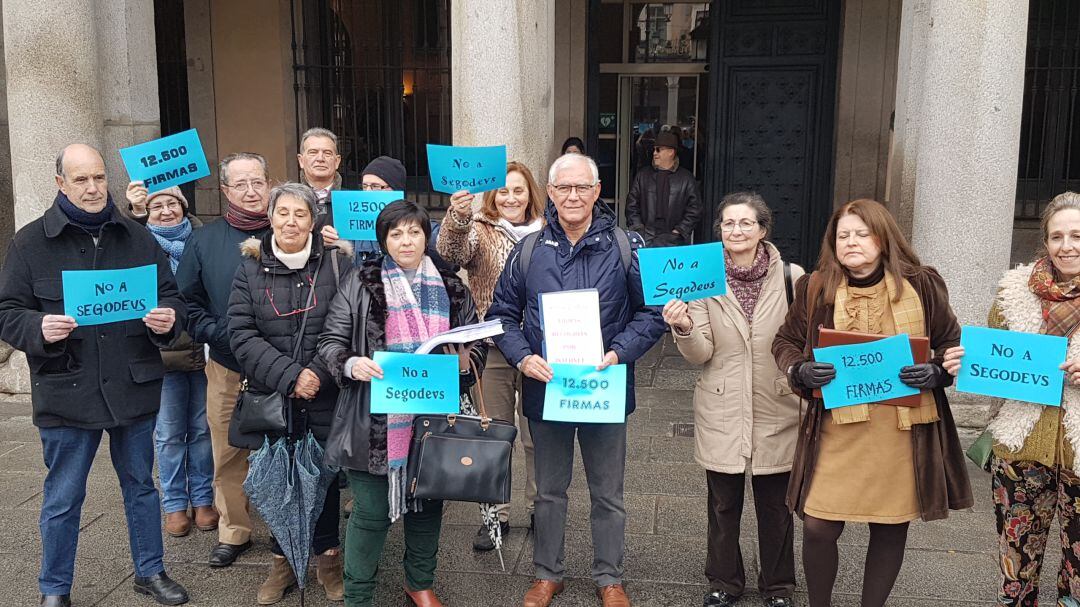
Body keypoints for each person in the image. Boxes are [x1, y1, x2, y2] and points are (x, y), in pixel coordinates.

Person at [0, 144, 190, 606]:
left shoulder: (137, 237)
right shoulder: (29, 243)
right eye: (81, 179)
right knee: (63, 497)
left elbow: (173, 298)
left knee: (142, 487)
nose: (92, 188)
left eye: (99, 178)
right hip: (68, 387)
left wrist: (170, 319)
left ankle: (150, 571)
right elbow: (7, 312)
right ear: (60, 183)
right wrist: (36, 327)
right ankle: (54, 589)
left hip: (132, 383)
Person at [771, 198, 973, 607]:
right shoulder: (815, 287)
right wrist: (800, 371)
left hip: (901, 433)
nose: (851, 242)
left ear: (883, 238)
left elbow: (951, 343)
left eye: (861, 233)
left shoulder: (923, 284)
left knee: (890, 527)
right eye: (843, 235)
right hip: (837, 430)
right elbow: (785, 342)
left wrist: (938, 372)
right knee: (818, 526)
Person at [487, 153, 667, 607]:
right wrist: (523, 357)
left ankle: (610, 577)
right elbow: (501, 316)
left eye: (582, 188)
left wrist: (619, 352)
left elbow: (651, 312)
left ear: (597, 191)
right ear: (549, 193)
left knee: (608, 492)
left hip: (603, 388)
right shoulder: (528, 250)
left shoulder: (626, 247)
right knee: (549, 492)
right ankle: (549, 573)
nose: (572, 196)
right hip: (547, 389)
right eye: (564, 188)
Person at [317, 200, 487, 607]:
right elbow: (330, 342)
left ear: (426, 237)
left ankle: (419, 583)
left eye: (414, 232)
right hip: (372, 422)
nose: (406, 240)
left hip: (433, 420)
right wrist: (351, 363)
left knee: (428, 507)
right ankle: (358, 595)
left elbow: (477, 342)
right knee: (371, 513)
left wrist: (465, 361)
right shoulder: (361, 282)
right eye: (396, 233)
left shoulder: (451, 286)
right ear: (383, 240)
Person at [662, 192, 802, 607]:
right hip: (721, 404)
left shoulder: (794, 277)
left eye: (744, 223)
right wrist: (684, 324)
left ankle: (778, 586)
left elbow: (802, 340)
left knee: (776, 507)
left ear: (762, 230)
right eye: (727, 223)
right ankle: (724, 581)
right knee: (723, 505)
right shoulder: (702, 277)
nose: (735, 231)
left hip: (777, 404)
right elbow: (701, 353)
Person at [942, 191, 1080, 606]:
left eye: (1077, 235)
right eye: (1057, 236)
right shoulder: (1013, 294)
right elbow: (992, 361)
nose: (1066, 245)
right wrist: (962, 362)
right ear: (1045, 241)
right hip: (1021, 449)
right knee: (1016, 565)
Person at [228, 183, 352, 604]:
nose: (291, 222)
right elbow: (241, 334)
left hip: (326, 392)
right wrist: (290, 376)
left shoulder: (338, 264)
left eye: (301, 214)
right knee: (278, 478)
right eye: (283, 212)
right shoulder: (250, 267)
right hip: (273, 395)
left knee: (325, 479)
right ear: (270, 216)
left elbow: (345, 326)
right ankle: (281, 562)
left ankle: (329, 560)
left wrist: (316, 373)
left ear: (314, 220)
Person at [436, 161, 546, 550]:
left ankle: (540, 510)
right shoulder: (480, 230)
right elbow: (450, 253)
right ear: (492, 196)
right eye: (504, 191)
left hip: (540, 350)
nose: (512, 197)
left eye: (519, 190)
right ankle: (494, 516)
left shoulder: (549, 231)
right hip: (496, 345)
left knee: (538, 436)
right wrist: (459, 216)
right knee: (495, 434)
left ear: (531, 193)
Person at [176, 152, 272, 568]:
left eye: (258, 182)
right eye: (241, 184)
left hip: (281, 367)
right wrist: (220, 332)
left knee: (285, 449)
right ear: (226, 191)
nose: (251, 191)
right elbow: (186, 303)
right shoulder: (204, 240)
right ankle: (234, 530)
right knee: (228, 450)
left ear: (269, 184)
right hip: (228, 364)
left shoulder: (291, 229)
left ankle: (286, 531)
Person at [138, 186, 217, 538]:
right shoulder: (138, 245)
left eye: (172, 203)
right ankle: (174, 505)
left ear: (184, 207)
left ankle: (203, 501)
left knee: (202, 431)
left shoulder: (201, 242)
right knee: (168, 434)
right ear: (146, 211)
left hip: (200, 352)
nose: (166, 211)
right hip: (161, 356)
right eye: (157, 205)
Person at [320, 155, 454, 272]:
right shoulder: (352, 227)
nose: (368, 192)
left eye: (376, 186)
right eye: (365, 186)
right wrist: (333, 243)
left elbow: (450, 258)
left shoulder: (420, 224)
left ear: (396, 190)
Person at [625, 130, 702, 247]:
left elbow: (695, 209)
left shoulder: (686, 178)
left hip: (674, 241)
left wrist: (679, 231)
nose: (654, 153)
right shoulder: (643, 175)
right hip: (645, 239)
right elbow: (631, 206)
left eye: (658, 149)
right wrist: (638, 229)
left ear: (671, 152)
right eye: (654, 149)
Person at [296, 127, 358, 231]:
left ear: (337, 161)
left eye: (327, 153)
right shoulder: (289, 200)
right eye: (313, 152)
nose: (320, 159)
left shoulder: (353, 202)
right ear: (301, 160)